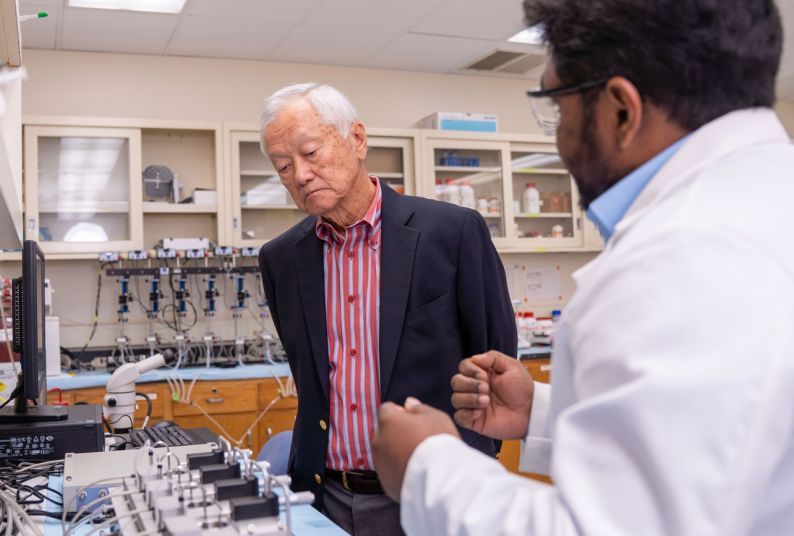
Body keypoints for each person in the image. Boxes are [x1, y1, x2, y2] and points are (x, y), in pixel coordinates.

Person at [372, 0, 794, 534]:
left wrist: (426, 466)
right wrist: (544, 415)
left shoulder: (678, 255)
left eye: (558, 106)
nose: (560, 135)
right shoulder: (767, 200)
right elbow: (723, 449)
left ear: (621, 111)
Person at [257, 83, 517, 536]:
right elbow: (309, 377)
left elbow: (495, 359)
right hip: (325, 497)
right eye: (283, 166)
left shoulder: (452, 233)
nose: (300, 174)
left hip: (433, 495)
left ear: (357, 139)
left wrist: (470, 462)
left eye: (311, 153)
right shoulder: (280, 259)